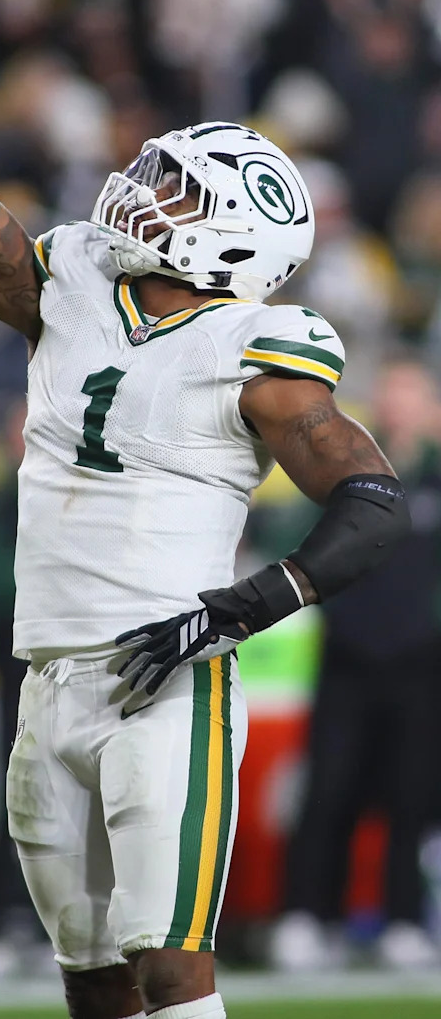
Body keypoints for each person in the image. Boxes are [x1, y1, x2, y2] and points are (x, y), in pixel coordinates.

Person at [0, 0, 410, 1019]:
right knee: (95, 982)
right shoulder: (70, 282)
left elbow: (370, 501)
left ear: (229, 235)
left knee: (170, 966)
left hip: (169, 681)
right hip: (49, 672)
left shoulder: (257, 347)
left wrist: (239, 610)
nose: (143, 188)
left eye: (176, 187)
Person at [271, 358, 441, 972]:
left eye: (411, 393)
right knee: (328, 788)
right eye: (391, 393)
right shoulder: (346, 472)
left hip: (420, 664)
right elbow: (297, 540)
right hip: (346, 656)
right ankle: (308, 917)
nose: (399, 407)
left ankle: (401, 920)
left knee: (411, 792)